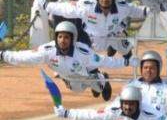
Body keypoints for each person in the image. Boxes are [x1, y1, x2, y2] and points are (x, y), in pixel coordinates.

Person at [0, 21, 135, 100]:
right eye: (60, 37)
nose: (63, 40)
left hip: (86, 73)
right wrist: (3, 55)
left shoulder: (83, 52)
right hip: (69, 77)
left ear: (72, 39)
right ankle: (89, 82)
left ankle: (102, 79)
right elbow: (25, 58)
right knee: (78, 90)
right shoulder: (48, 50)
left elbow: (104, 60)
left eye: (66, 37)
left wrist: (126, 62)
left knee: (96, 87)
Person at [36, 0, 147, 57]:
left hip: (113, 34)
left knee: (127, 51)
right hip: (91, 38)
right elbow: (66, 9)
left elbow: (139, 11)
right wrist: (46, 5)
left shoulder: (122, 6)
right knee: (85, 60)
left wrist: (157, 9)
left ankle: (121, 52)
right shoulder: (86, 7)